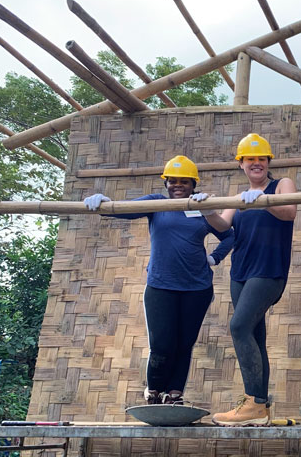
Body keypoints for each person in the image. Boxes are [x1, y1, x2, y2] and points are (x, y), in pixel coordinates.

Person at [83, 155, 234, 405]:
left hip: (197, 288)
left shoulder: (202, 207)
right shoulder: (156, 203)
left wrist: (214, 258)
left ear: (193, 184)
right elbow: (125, 210)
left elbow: (229, 236)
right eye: (172, 181)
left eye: (184, 181)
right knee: (162, 344)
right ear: (165, 183)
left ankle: (175, 393)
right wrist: (104, 203)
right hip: (160, 286)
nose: (177, 185)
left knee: (184, 343)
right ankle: (154, 389)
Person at [191, 133, 297, 426]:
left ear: (268, 162)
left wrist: (263, 201)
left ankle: (252, 403)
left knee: (238, 326)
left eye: (261, 159)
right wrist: (207, 209)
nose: (256, 164)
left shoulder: (281, 185)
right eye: (250, 160)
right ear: (241, 164)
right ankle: (259, 407)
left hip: (268, 270)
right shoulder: (239, 196)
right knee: (254, 335)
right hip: (240, 273)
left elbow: (289, 212)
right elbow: (223, 225)